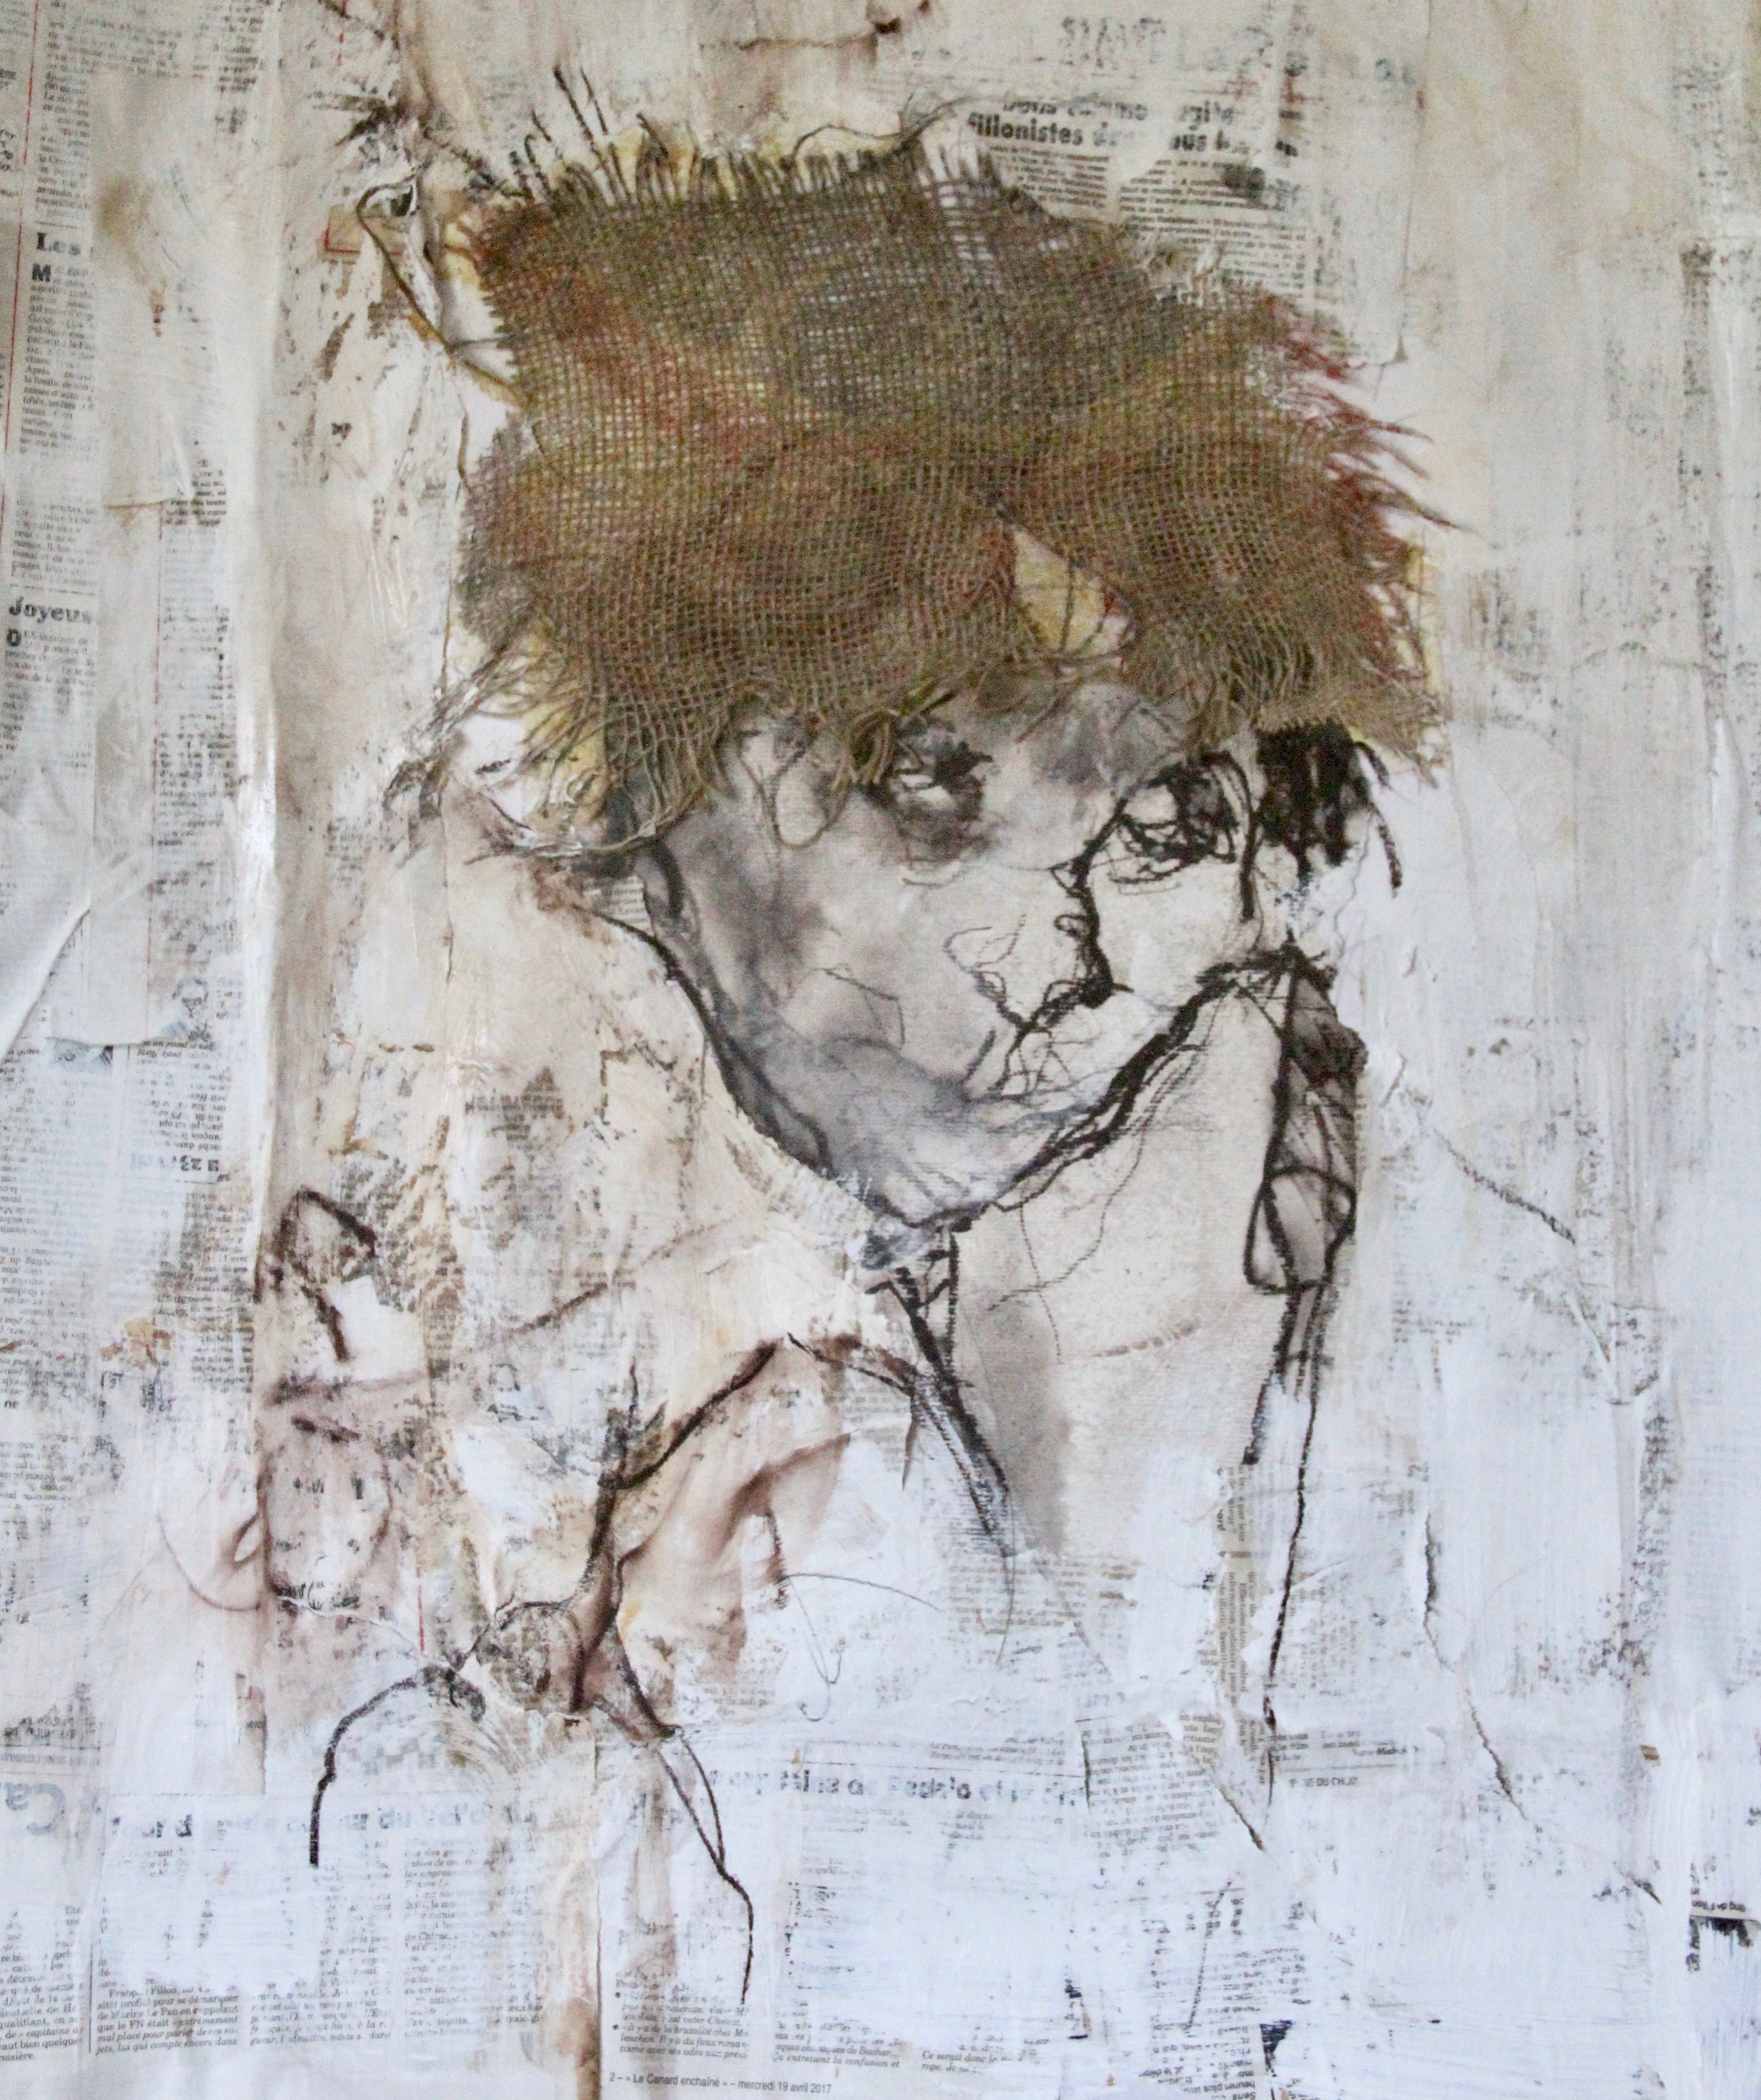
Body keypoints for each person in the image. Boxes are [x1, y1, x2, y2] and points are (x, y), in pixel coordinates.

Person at [259, 111, 1432, 2045]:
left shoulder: (1268, 1207)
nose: (1064, 941)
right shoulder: (449, 1266)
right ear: (645, 797)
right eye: (932, 788)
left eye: (1163, 829)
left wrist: (1125, 1458)